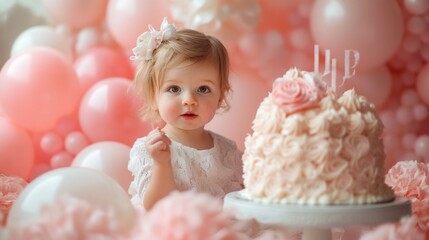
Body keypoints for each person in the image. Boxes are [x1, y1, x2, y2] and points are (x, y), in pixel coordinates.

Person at [127, 18, 243, 211]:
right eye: (174, 89)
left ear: (220, 97)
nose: (189, 100)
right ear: (153, 97)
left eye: (203, 89)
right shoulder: (152, 149)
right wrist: (161, 164)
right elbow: (156, 208)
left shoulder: (227, 150)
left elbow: (239, 199)